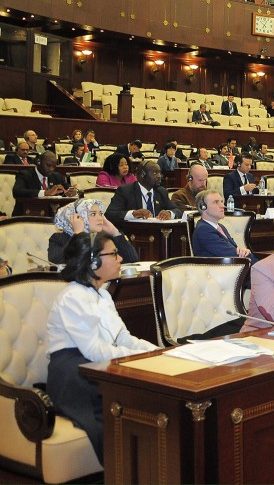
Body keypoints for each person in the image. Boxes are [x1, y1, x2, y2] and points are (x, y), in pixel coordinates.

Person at [46, 232, 158, 462]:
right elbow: (94, 351)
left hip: (98, 362)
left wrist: (155, 352)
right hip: (74, 371)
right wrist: (137, 360)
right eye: (114, 254)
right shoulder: (72, 297)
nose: (120, 260)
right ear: (93, 261)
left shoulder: (103, 295)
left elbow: (124, 338)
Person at [48, 199, 138, 265]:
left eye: (100, 213)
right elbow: (58, 261)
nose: (100, 218)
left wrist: (114, 232)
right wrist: (78, 236)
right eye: (93, 214)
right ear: (77, 217)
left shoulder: (104, 237)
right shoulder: (58, 238)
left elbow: (132, 259)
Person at [105, 161, 180, 227]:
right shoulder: (125, 191)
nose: (159, 176)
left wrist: (170, 213)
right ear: (142, 175)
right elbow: (110, 214)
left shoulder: (161, 192)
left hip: (157, 235)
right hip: (134, 235)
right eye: (154, 173)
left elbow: (177, 211)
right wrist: (133, 214)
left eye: (159, 173)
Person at [191, 190, 255, 261]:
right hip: (220, 270)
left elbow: (235, 251)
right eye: (216, 202)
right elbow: (232, 255)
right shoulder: (203, 230)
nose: (222, 206)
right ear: (203, 207)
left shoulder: (220, 227)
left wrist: (243, 251)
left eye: (221, 201)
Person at [12, 151, 75, 215]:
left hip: (50, 216)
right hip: (26, 215)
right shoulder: (25, 175)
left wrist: (71, 191)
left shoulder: (56, 176)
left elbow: (67, 187)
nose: (51, 169)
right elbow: (17, 191)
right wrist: (45, 192)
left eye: (53, 167)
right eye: (48, 165)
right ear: (39, 162)